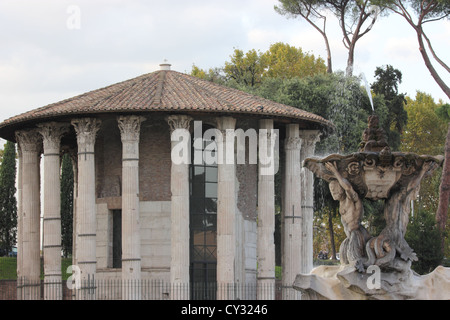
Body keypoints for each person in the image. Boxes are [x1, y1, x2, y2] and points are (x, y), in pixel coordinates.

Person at [325, 161, 371, 272]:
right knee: (343, 259)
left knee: (354, 262)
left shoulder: (352, 198)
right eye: (331, 190)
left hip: (357, 235)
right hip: (349, 237)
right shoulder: (341, 203)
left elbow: (348, 187)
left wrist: (335, 172)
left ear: (341, 188)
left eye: (335, 189)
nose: (333, 192)